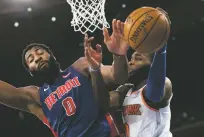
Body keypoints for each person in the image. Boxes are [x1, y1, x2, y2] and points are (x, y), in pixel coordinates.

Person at [0, 19, 129, 137]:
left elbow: (117, 77)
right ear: (30, 72)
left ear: (52, 56)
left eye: (40, 53)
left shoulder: (81, 66)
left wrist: (119, 55)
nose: (37, 58)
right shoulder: (36, 96)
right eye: (31, 60)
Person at [91, 8, 173, 137]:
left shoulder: (164, 84)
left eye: (138, 58)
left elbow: (156, 92)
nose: (130, 62)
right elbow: (103, 104)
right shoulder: (126, 92)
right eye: (131, 58)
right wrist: (95, 70)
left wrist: (161, 47)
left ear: (152, 66)